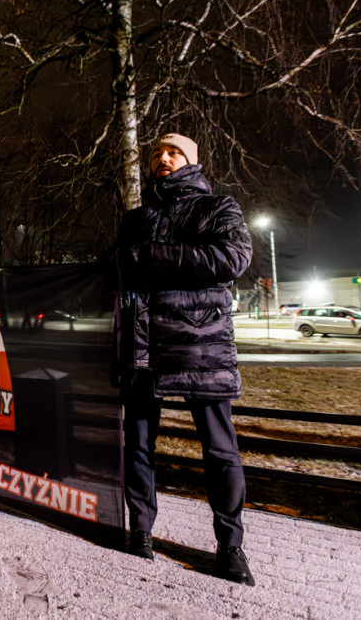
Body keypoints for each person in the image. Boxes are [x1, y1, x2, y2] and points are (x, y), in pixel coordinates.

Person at [105, 133, 256, 585]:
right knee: (138, 446)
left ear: (191, 161)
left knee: (220, 450)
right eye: (155, 154)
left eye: (172, 153)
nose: (162, 159)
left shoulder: (217, 208)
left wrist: (152, 255)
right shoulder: (134, 219)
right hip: (142, 348)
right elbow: (113, 267)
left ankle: (230, 546)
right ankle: (142, 531)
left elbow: (233, 256)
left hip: (199, 347)